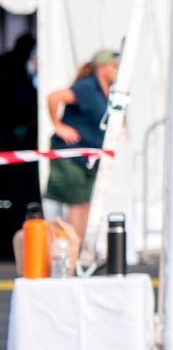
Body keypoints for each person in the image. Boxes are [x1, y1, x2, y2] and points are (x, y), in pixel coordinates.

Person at [41, 50, 117, 240]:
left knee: (85, 205)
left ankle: (79, 252)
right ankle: (71, 255)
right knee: (75, 204)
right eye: (114, 66)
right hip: (71, 157)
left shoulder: (107, 89)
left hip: (90, 159)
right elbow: (53, 97)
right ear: (102, 67)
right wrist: (58, 126)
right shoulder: (87, 86)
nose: (117, 70)